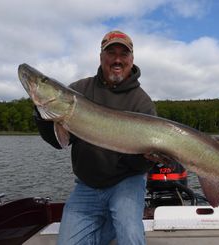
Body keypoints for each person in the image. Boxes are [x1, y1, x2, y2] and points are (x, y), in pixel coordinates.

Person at [34, 30, 157, 245]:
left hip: (126, 182)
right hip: (87, 185)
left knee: (130, 235)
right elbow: (59, 141)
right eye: (111, 53)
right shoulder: (79, 91)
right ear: (101, 57)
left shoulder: (141, 101)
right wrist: (41, 115)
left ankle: (114, 222)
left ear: (131, 59)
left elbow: (140, 166)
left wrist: (146, 157)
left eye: (123, 54)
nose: (117, 59)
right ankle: (109, 225)